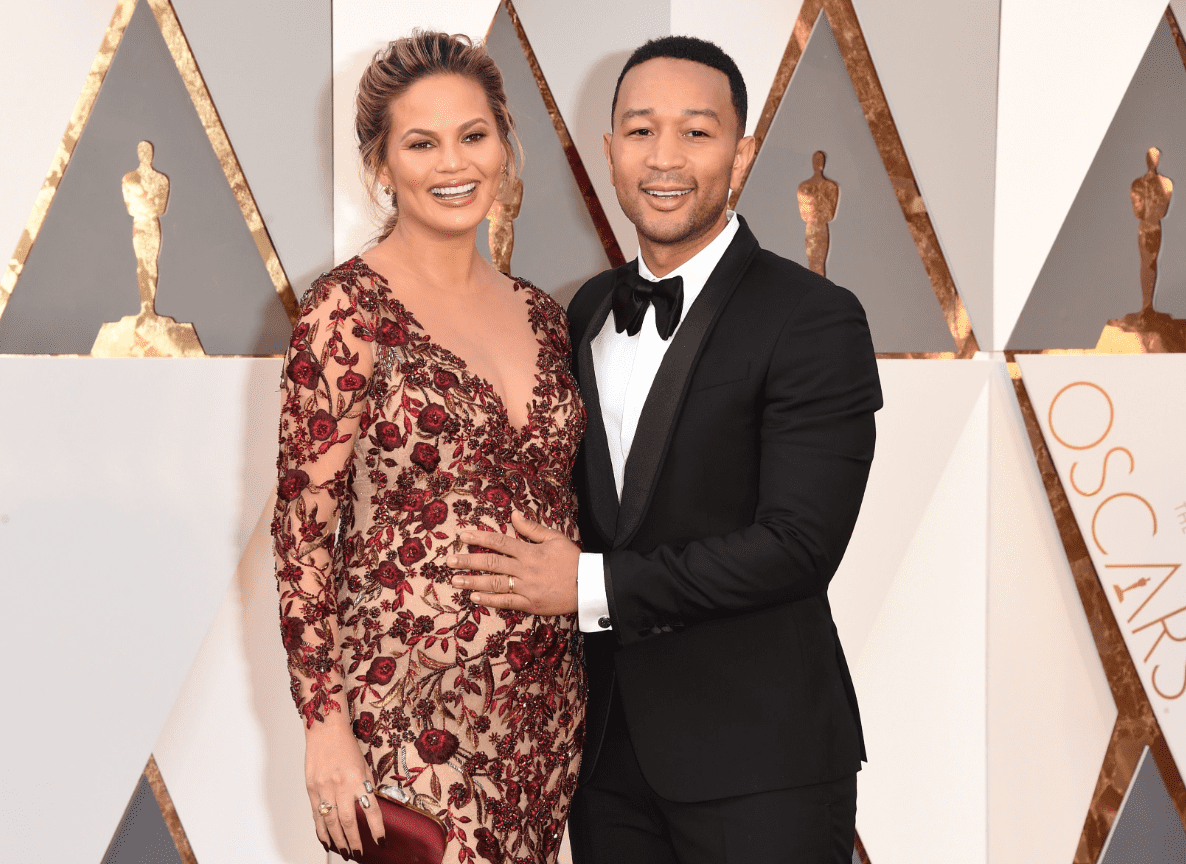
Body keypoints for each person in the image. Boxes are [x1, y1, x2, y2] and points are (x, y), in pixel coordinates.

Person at [449, 36, 882, 863]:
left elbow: (798, 546)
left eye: (697, 131)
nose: (665, 158)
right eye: (641, 131)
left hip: (762, 762)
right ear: (609, 152)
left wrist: (583, 584)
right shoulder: (579, 315)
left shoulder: (815, 318)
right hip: (605, 763)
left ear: (741, 151)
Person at [272, 31, 586, 864]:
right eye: (422, 142)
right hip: (409, 718)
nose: (454, 162)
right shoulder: (345, 311)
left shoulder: (545, 316)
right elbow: (302, 535)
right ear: (382, 165)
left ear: (503, 146)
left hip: (544, 710)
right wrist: (324, 727)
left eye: (473, 135)